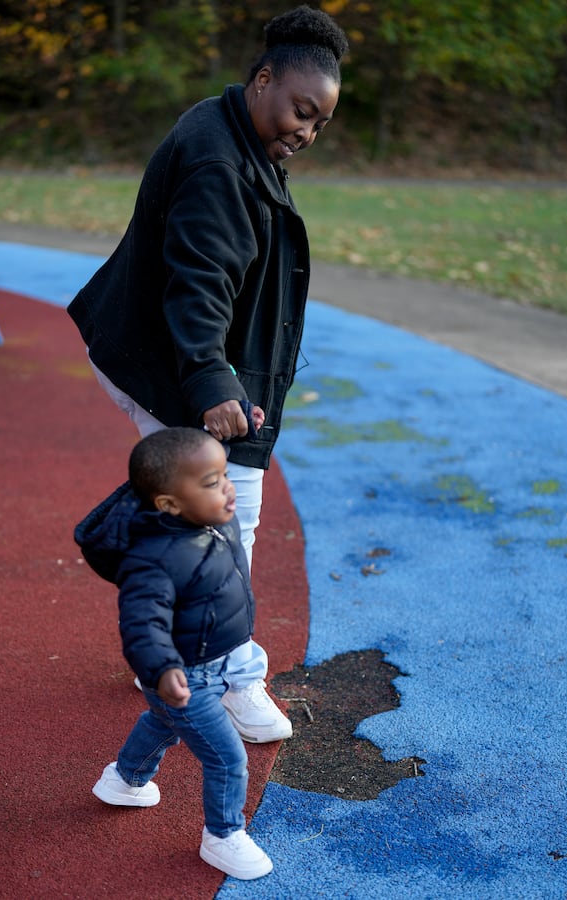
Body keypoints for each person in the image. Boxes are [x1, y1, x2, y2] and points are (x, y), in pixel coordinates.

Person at [67, 5, 349, 742]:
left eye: (319, 122)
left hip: (187, 362)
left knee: (185, 507)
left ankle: (154, 619)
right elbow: (197, 283)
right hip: (184, 369)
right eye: (300, 110)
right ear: (262, 81)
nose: (306, 132)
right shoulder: (218, 159)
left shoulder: (234, 132)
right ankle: (230, 679)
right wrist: (213, 385)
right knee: (229, 521)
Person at [79, 427, 274, 880]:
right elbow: (142, 624)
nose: (227, 488)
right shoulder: (153, 558)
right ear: (169, 504)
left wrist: (243, 413)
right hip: (184, 674)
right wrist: (163, 669)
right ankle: (223, 836)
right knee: (226, 758)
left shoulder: (211, 517)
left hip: (214, 660)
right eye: (211, 482)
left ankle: (125, 779)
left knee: (163, 723)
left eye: (225, 475)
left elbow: (214, 443)